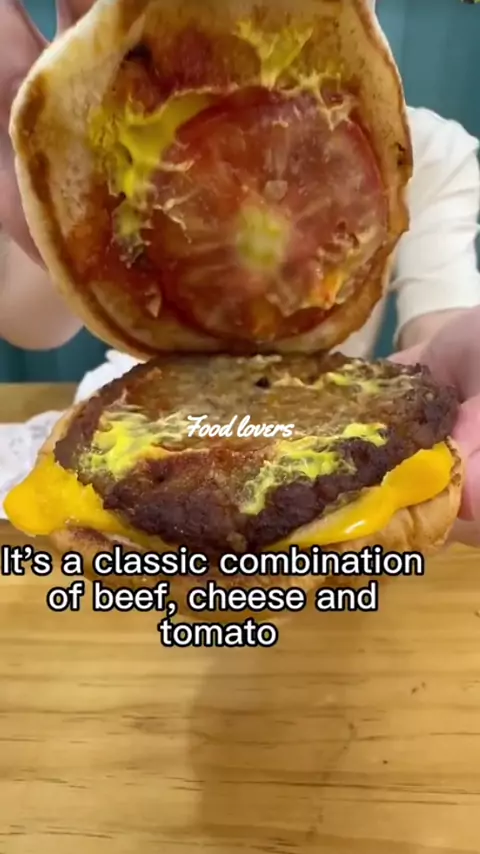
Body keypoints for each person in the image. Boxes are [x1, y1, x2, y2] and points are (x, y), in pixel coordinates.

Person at [1, 0, 480, 544]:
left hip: (326, 428)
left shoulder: (437, 156)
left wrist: (458, 354)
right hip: (137, 423)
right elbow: (30, 325)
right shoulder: (107, 132)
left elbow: (438, 335)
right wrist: (56, 170)